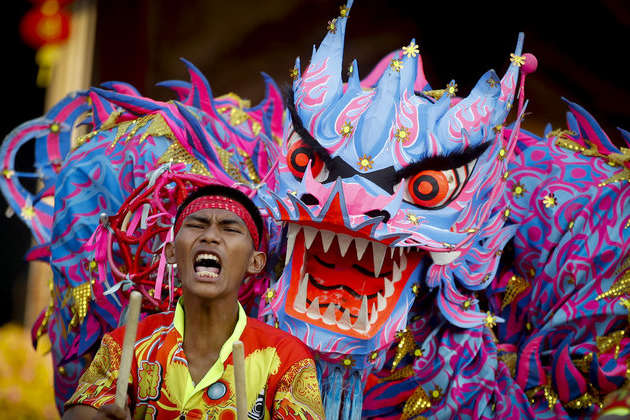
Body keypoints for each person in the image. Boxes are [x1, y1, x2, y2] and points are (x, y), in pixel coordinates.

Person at [62, 184, 325, 419]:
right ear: (171, 252)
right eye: (197, 225)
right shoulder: (127, 344)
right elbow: (79, 411)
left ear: (255, 262)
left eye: (230, 229)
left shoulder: (286, 358)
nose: (210, 236)